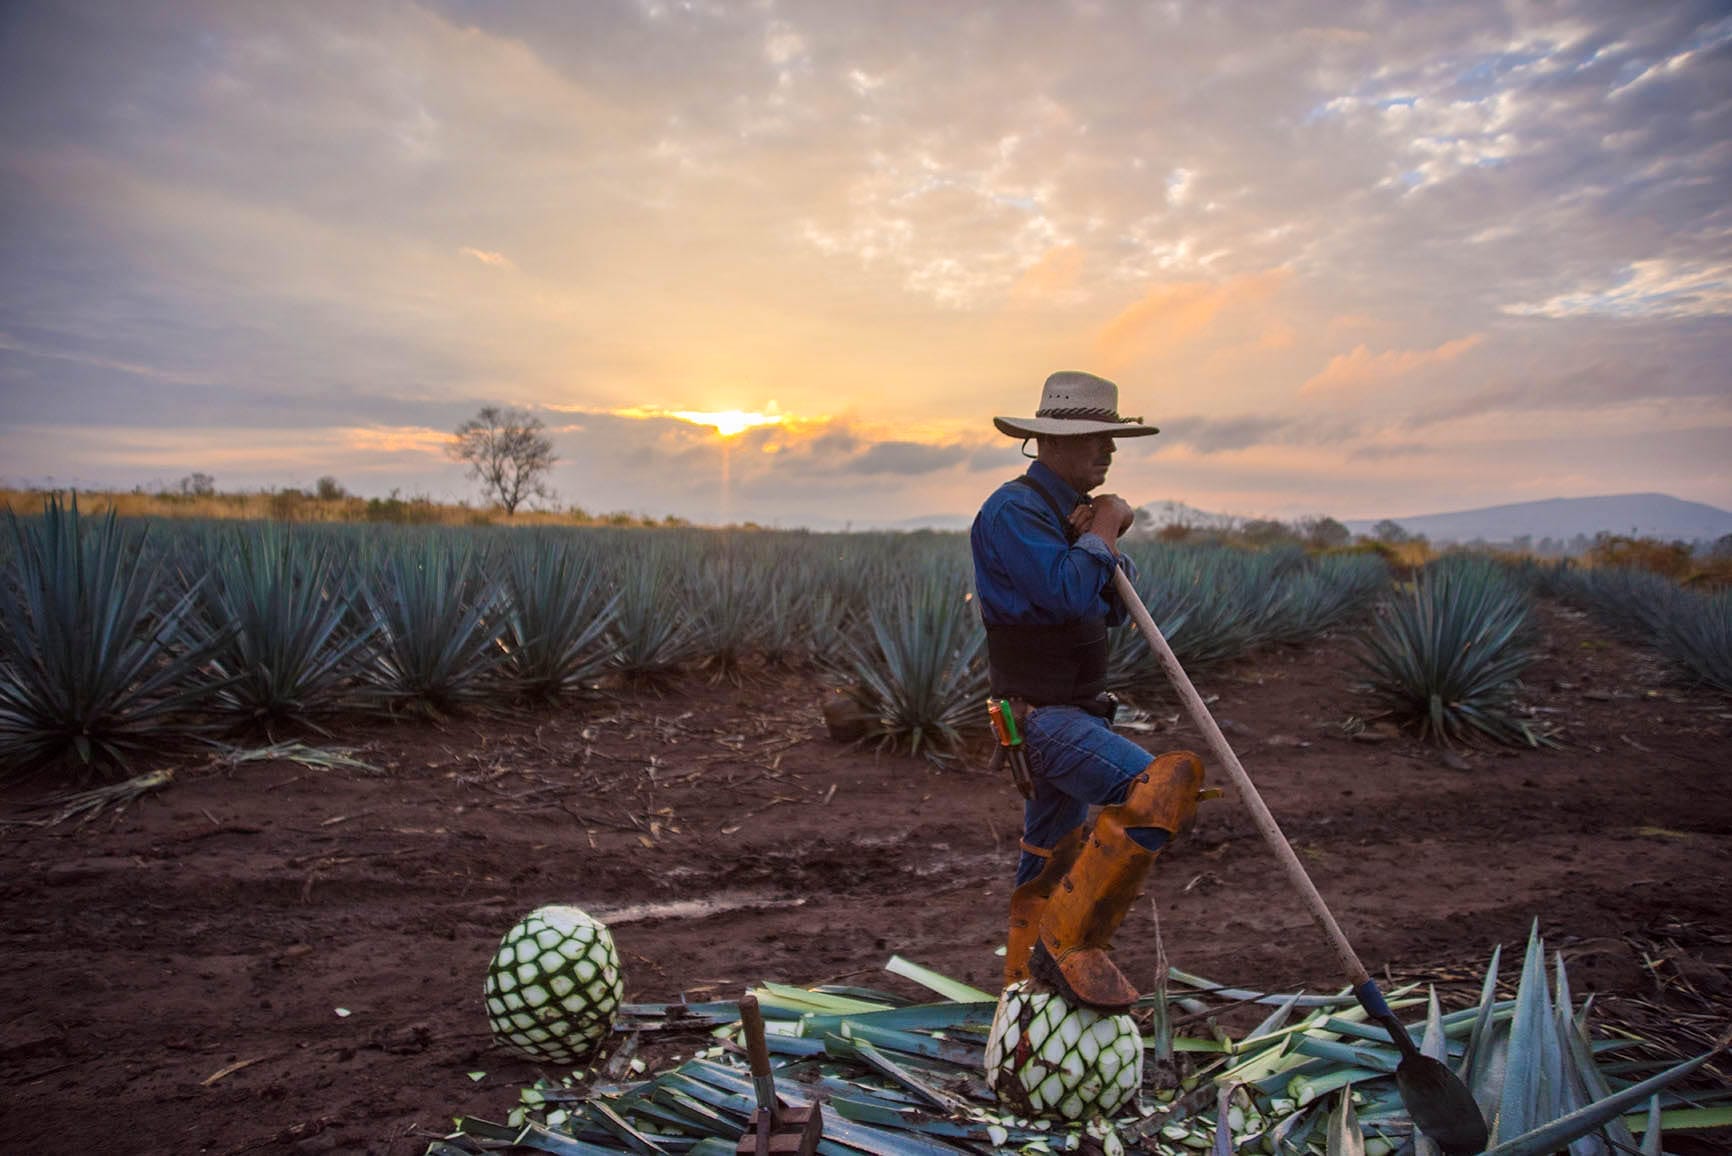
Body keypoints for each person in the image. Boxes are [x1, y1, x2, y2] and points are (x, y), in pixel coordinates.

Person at [970, 370, 1207, 1012]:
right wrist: (1103, 526)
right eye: (1095, 438)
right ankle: (1065, 947)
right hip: (1042, 719)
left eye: (1111, 437)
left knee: (1047, 857)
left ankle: (1021, 999)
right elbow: (1071, 592)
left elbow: (1110, 607)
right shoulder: (1014, 510)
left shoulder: (1063, 514)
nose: (1108, 451)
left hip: (1074, 713)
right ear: (1048, 443)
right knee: (1158, 791)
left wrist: (1097, 536)